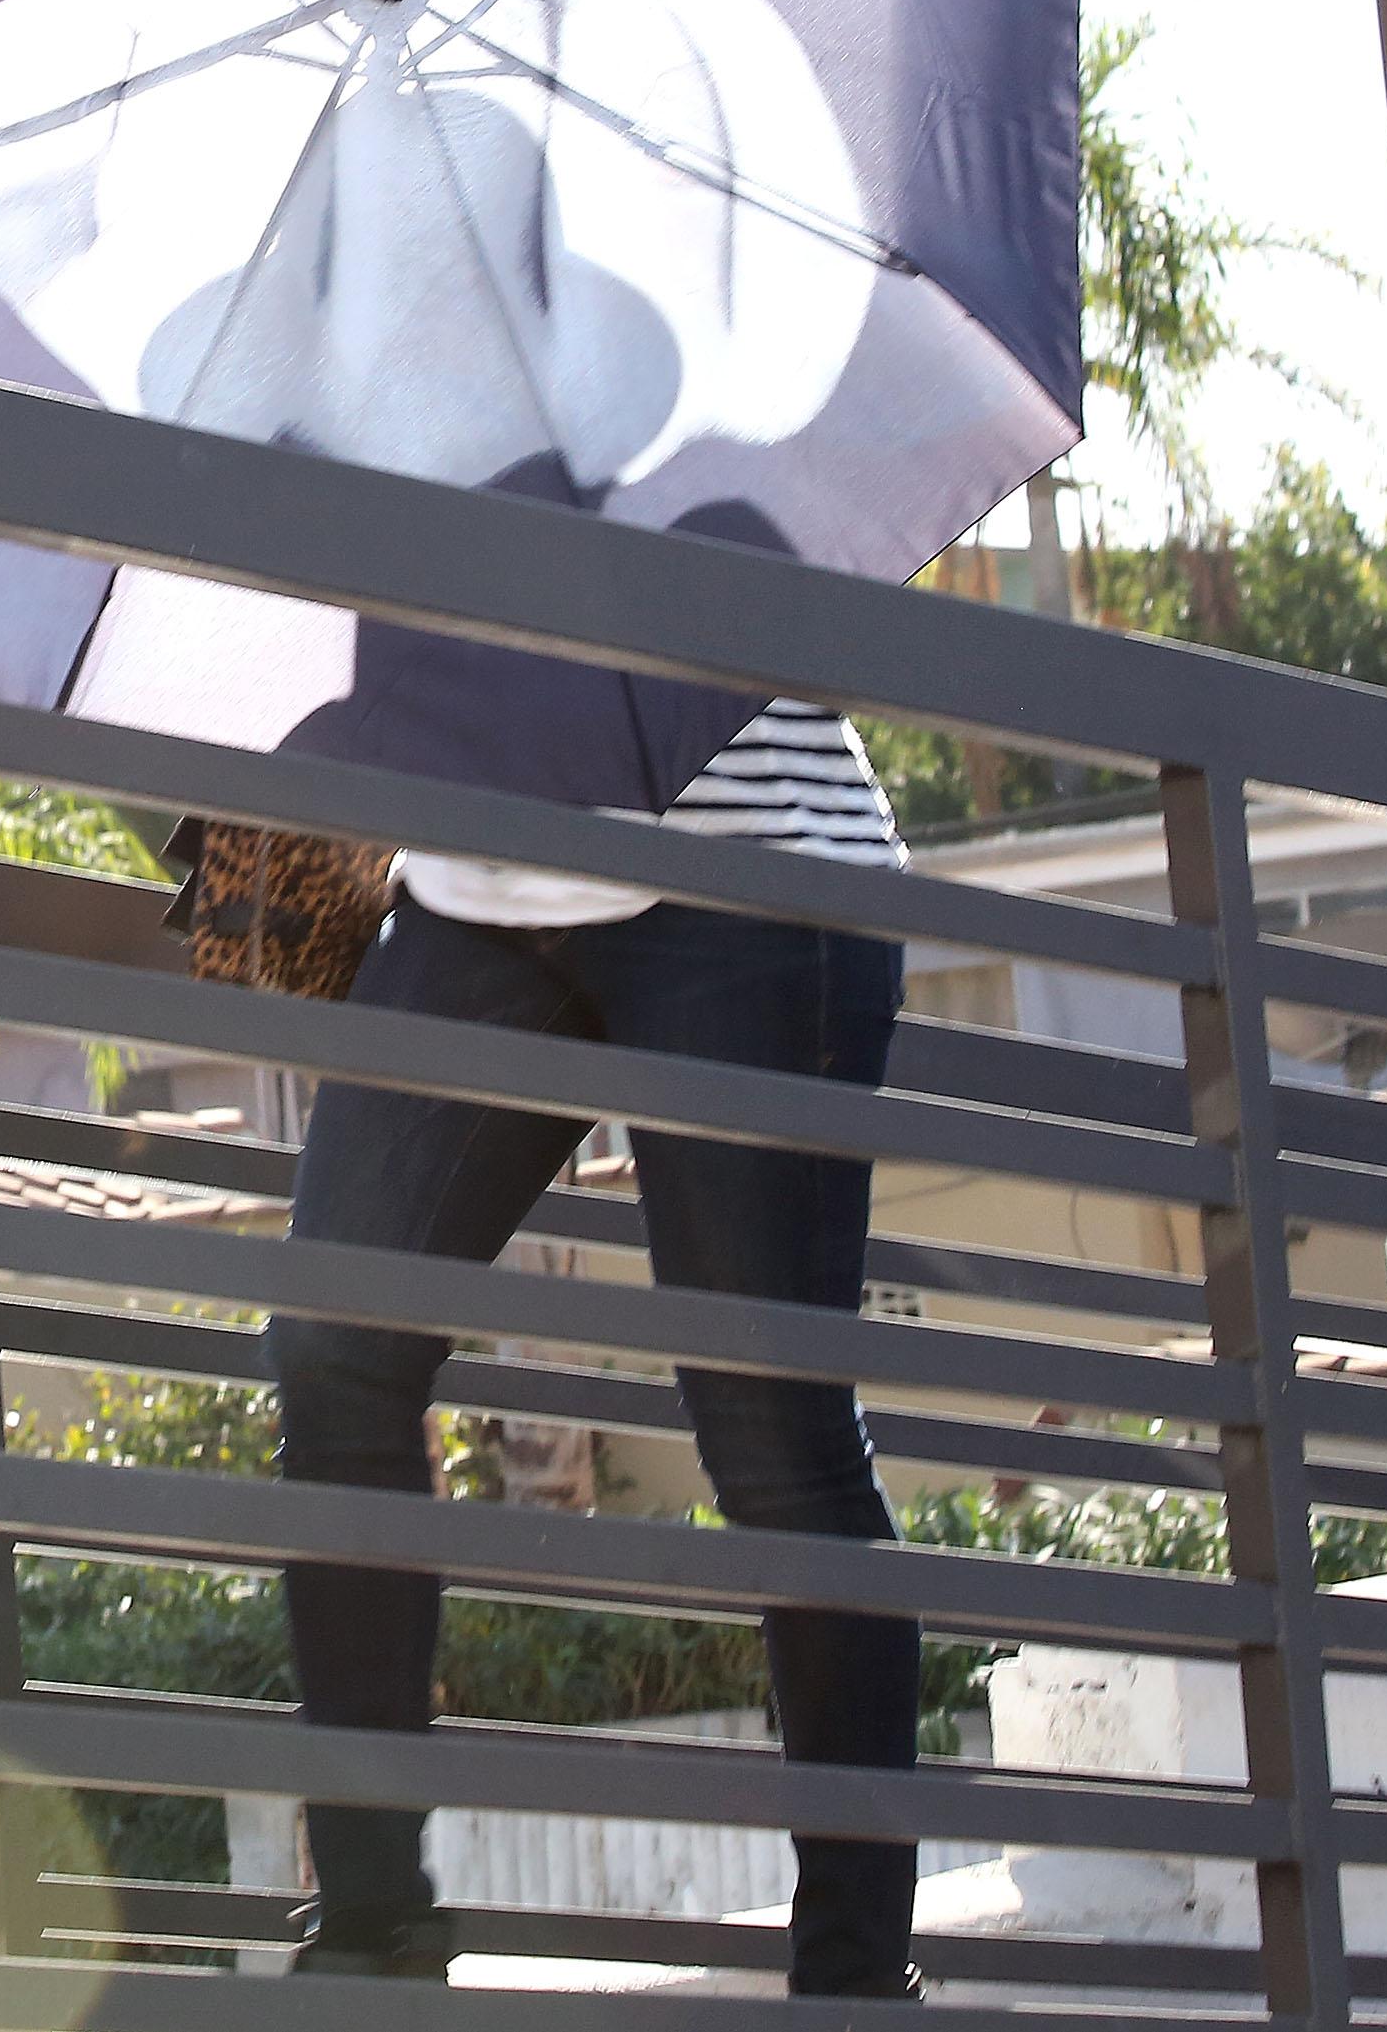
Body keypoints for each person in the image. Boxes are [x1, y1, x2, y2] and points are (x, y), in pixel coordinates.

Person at [265, 698, 923, 1995]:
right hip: (478, 878)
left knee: (771, 1428)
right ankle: (372, 1935)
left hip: (749, 856)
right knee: (335, 1348)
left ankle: (854, 1983)